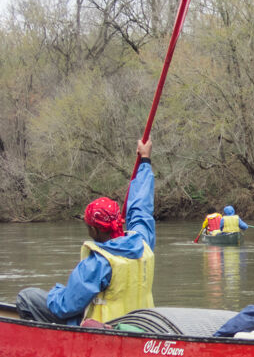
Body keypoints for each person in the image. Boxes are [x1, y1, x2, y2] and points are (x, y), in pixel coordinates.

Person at [16, 139, 156, 326]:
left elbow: (65, 305)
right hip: (141, 326)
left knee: (27, 297)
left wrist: (56, 292)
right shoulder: (143, 241)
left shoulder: (98, 262)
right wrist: (145, 160)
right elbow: (141, 207)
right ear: (118, 221)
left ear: (93, 229)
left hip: (105, 332)